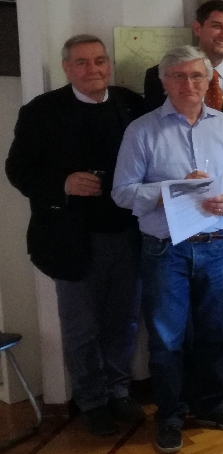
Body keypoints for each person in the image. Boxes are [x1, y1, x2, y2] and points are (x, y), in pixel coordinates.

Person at [112, 46, 223, 454]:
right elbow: (121, 192)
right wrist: (170, 191)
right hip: (165, 249)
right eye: (178, 76)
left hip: (218, 244)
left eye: (196, 76)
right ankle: (171, 416)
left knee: (216, 334)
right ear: (163, 82)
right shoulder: (142, 130)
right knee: (167, 340)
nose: (189, 84)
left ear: (209, 79)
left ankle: (211, 405)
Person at [5, 35, 146, 437]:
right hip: (71, 241)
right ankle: (91, 399)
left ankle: (118, 390)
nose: (93, 69)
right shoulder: (42, 112)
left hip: (128, 234)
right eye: (82, 63)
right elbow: (18, 170)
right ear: (67, 68)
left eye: (100, 61)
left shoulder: (129, 103)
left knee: (124, 321)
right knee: (82, 327)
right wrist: (63, 183)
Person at [143, 0, 223, 411]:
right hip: (173, 231)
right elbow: (153, 151)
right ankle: (179, 405)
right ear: (198, 29)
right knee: (175, 326)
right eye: (217, 27)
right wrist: (175, 188)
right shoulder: (157, 87)